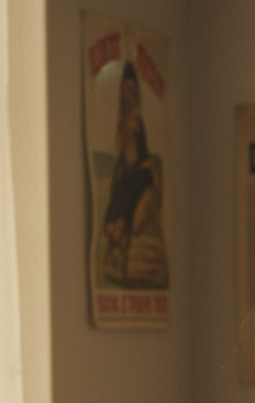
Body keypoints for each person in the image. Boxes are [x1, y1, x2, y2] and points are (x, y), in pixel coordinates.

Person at [102, 61, 168, 288]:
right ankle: (118, 232)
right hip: (126, 184)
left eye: (132, 90)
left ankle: (124, 232)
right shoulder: (121, 128)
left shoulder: (138, 123)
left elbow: (143, 164)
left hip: (139, 182)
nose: (129, 95)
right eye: (126, 90)